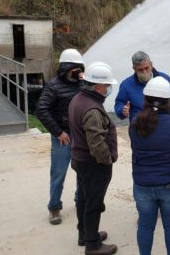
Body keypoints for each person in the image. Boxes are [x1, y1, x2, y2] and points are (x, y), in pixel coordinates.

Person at [129, 76, 170, 255]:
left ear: (145, 99)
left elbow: (135, 145)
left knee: (145, 226)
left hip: (143, 184)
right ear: (168, 101)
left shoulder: (135, 124)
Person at [69, 61, 119, 255]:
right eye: (107, 86)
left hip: (80, 160)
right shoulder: (91, 109)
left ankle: (84, 234)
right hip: (93, 164)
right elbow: (97, 143)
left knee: (83, 198)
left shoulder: (78, 99)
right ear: (98, 87)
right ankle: (93, 244)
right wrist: (107, 160)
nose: (108, 89)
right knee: (94, 203)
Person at [36, 48, 84, 225]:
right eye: (75, 68)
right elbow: (41, 110)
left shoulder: (82, 84)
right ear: (66, 67)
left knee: (83, 171)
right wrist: (58, 132)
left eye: (80, 67)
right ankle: (54, 207)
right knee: (58, 174)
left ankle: (80, 200)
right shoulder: (53, 85)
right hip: (62, 137)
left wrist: (85, 83)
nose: (78, 71)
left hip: (80, 136)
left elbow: (93, 100)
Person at [114, 51, 170, 121]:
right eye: (140, 70)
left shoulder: (165, 79)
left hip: (165, 122)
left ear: (151, 65)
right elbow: (119, 103)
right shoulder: (126, 85)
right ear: (134, 69)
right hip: (140, 127)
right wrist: (122, 110)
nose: (144, 72)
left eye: (146, 68)